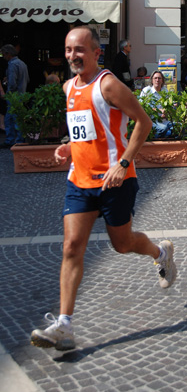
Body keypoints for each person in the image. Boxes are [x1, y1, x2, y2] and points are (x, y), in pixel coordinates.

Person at [30, 27, 177, 351]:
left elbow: (143, 122)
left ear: (97, 53)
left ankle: (161, 253)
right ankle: (64, 325)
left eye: (79, 50)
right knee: (71, 247)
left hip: (116, 181)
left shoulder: (109, 84)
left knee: (122, 244)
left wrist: (123, 163)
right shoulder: (68, 87)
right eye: (68, 50)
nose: (72, 56)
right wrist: (69, 147)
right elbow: (88, 131)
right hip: (79, 181)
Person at [0, 44, 30, 148]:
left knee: (11, 119)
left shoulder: (12, 65)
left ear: (8, 54)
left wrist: (8, 93)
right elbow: (27, 79)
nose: (3, 57)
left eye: (4, 54)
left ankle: (13, 140)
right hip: (22, 94)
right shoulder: (22, 63)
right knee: (16, 118)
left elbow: (12, 83)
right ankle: (17, 140)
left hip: (14, 95)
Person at [140, 70, 174, 138]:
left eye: (159, 78)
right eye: (155, 78)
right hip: (151, 120)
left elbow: (169, 106)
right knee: (163, 129)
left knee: (178, 127)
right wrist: (158, 111)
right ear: (152, 81)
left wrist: (166, 111)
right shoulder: (146, 91)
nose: (157, 80)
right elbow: (141, 107)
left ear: (162, 81)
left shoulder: (165, 90)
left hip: (164, 120)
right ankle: (155, 143)